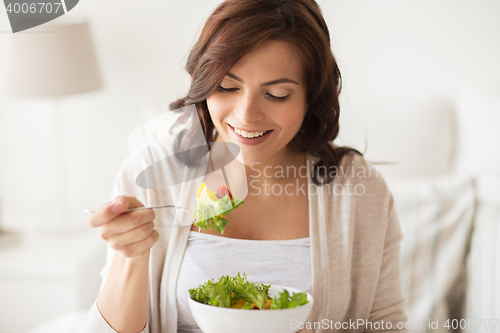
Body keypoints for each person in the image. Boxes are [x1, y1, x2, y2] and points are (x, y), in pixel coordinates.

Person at [86, 0, 409, 332]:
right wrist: (132, 256)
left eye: (277, 94)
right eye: (227, 87)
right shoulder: (154, 172)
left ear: (311, 95)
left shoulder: (357, 188)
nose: (246, 115)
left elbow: (387, 324)